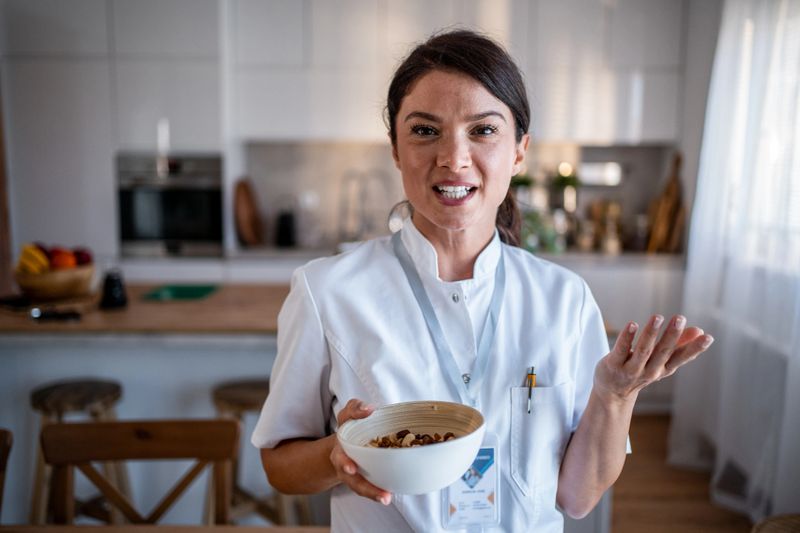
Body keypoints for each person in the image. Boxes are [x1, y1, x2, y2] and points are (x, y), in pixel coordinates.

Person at [251, 30, 713, 532]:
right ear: (395, 149)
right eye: (425, 131)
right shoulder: (328, 292)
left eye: (483, 130)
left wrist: (616, 395)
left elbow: (577, 498)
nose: (453, 157)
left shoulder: (564, 299)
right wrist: (333, 456)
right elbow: (280, 464)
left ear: (519, 151)